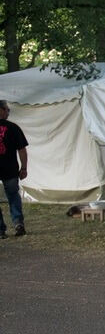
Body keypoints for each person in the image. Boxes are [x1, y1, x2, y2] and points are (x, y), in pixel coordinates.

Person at [0, 100, 29, 238]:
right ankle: (18, 224)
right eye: (7, 109)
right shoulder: (13, 127)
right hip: (9, 168)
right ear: (1, 110)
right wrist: (23, 168)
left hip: (9, 169)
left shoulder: (13, 127)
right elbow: (22, 150)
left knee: (13, 195)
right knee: (13, 196)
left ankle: (1, 230)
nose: (8, 112)